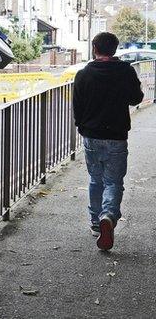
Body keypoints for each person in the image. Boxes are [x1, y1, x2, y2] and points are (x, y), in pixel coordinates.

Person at [72, 32, 144, 251]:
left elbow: (78, 108)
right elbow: (136, 98)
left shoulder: (84, 74)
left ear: (95, 47)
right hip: (116, 136)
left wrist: (83, 128)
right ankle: (108, 216)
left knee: (96, 179)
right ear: (115, 49)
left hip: (92, 136)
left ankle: (96, 223)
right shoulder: (126, 71)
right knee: (113, 181)